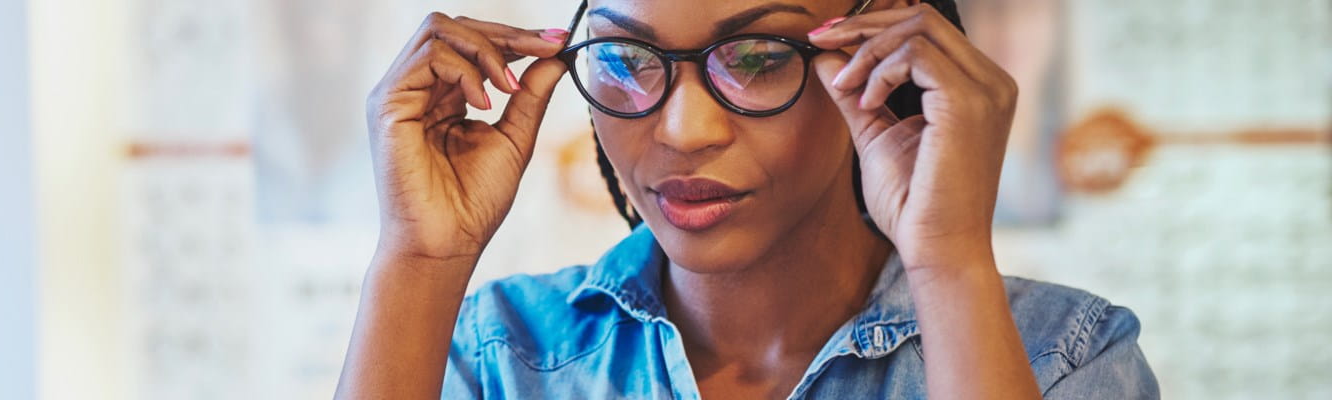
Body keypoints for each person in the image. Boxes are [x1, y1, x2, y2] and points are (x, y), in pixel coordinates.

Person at [336, 0, 1159, 398]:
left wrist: (948, 264)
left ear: (886, 58)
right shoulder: (500, 357)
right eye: (626, 57)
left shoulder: (1062, 358)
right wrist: (418, 261)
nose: (684, 130)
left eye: (760, 55)